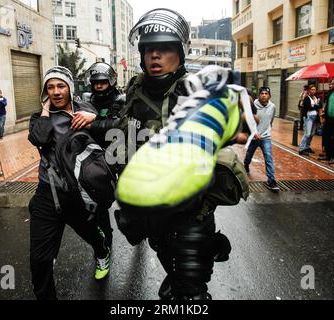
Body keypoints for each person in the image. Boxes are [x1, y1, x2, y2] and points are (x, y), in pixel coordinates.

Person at [116, 8, 249, 300]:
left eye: (164, 49)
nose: (155, 56)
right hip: (151, 216)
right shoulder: (135, 91)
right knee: (172, 272)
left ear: (180, 53)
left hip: (190, 217)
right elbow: (124, 135)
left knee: (191, 295)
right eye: (149, 49)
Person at [28, 66, 111, 300]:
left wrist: (94, 118)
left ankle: (102, 250)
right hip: (47, 193)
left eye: (61, 86)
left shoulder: (84, 111)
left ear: (70, 88)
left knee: (92, 235)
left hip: (78, 193)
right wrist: (45, 109)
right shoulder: (39, 118)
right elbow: (39, 138)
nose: (56, 91)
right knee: (40, 259)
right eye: (50, 87)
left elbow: (108, 134)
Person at [84, 62, 126, 248]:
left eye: (102, 82)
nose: (99, 86)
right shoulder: (87, 100)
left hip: (120, 153)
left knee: (129, 197)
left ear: (111, 82)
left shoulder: (122, 100)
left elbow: (119, 124)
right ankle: (105, 240)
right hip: (96, 155)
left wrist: (93, 123)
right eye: (96, 82)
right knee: (98, 200)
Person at [244, 87, 280, 191]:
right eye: (262, 93)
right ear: (259, 95)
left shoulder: (272, 106)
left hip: (266, 137)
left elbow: (271, 120)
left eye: (266, 93)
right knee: (249, 154)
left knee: (269, 157)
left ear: (269, 95)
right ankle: (246, 164)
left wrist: (267, 130)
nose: (264, 95)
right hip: (254, 137)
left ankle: (271, 180)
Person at [299, 85, 322, 156]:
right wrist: (315, 105)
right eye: (312, 89)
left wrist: (314, 105)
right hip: (308, 117)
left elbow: (320, 106)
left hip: (315, 117)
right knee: (307, 133)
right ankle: (301, 149)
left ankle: (307, 147)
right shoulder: (306, 98)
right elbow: (308, 107)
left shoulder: (316, 98)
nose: (313, 91)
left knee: (312, 134)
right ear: (309, 90)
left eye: (314, 89)